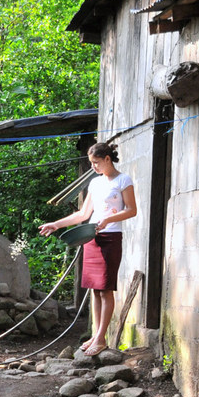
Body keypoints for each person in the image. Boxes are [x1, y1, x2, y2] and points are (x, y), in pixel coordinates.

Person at [39, 142, 137, 356]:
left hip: (111, 237)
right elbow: (83, 215)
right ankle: (95, 334)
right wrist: (56, 224)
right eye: (91, 163)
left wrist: (108, 219)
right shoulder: (95, 183)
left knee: (105, 287)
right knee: (94, 288)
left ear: (107, 159)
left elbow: (131, 210)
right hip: (92, 236)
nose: (93, 167)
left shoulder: (123, 180)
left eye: (96, 162)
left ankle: (102, 338)